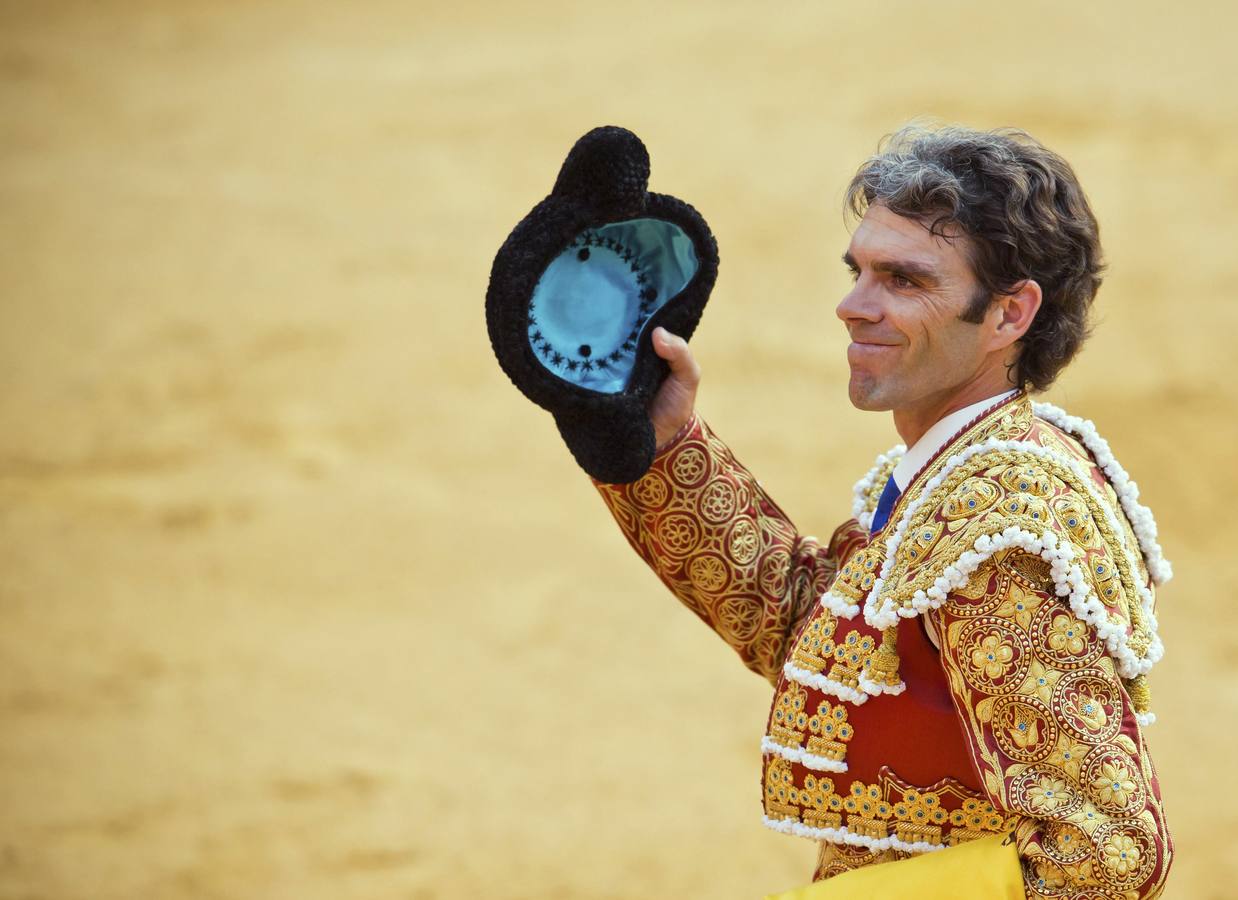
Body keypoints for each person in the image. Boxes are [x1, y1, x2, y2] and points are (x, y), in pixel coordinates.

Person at [591, 124, 1172, 898]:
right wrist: (668, 446)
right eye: (859, 270)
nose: (852, 306)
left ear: (1008, 314)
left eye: (903, 280)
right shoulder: (960, 473)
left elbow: (1104, 858)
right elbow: (814, 632)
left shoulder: (1003, 527)